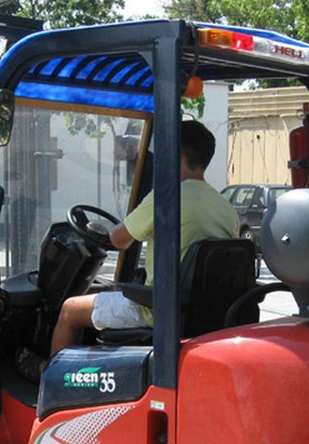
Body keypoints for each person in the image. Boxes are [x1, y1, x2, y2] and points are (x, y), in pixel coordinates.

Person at [17, 120, 239, 382]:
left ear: (175, 154)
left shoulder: (167, 196)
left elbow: (119, 239)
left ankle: (51, 380)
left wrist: (104, 233)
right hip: (200, 310)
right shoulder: (226, 208)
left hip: (157, 310)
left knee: (70, 309)